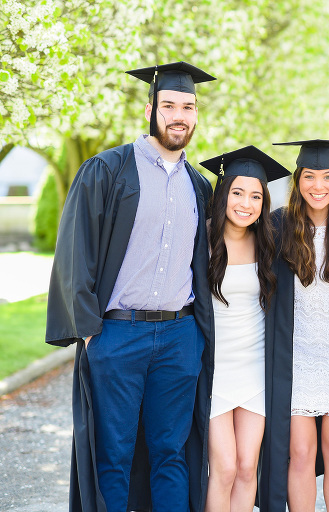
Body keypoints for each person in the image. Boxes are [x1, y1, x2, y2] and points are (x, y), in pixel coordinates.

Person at [45, 62, 216, 512]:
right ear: (149, 110)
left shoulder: (199, 186)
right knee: (113, 458)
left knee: (171, 455)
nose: (179, 115)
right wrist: (88, 329)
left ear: (196, 115)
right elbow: (75, 251)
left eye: (188, 107)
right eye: (169, 106)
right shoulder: (107, 170)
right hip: (118, 334)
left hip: (179, 337)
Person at [259, 139, 329, 512]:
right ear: (297, 179)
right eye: (309, 176)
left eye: (326, 176)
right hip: (297, 360)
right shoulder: (276, 229)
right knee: (300, 453)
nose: (318, 185)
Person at [197, 146, 289, 511]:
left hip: (254, 367)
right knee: (224, 467)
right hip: (215, 368)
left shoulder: (268, 241)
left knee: (248, 467)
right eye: (237, 193)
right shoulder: (200, 239)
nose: (246, 204)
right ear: (223, 195)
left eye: (256, 196)